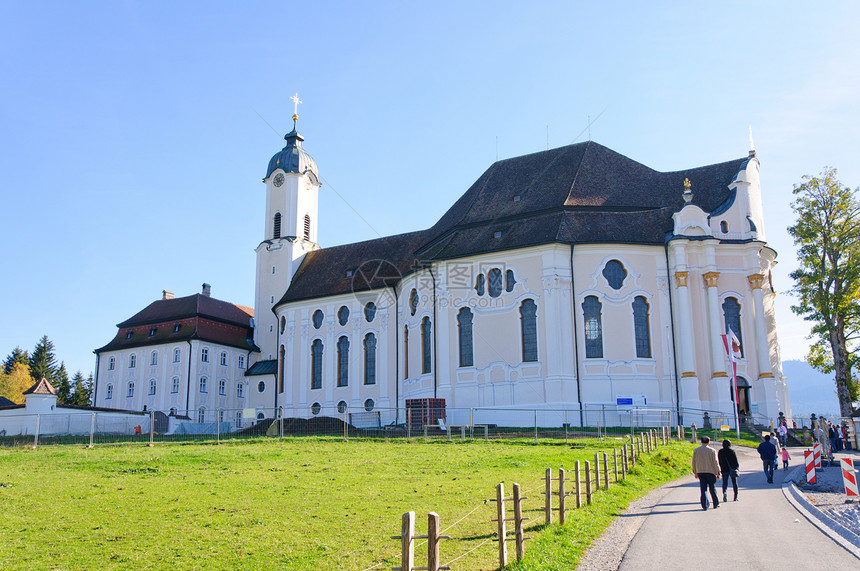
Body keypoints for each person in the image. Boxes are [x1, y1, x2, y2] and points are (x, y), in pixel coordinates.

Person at [692, 435, 721, 510]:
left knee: (703, 489)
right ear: (708, 442)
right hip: (711, 472)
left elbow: (693, 462)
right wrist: (718, 473)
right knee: (712, 488)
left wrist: (695, 472)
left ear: (701, 442)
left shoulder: (696, 450)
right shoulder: (712, 451)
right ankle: (715, 503)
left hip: (700, 472)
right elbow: (715, 462)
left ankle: (704, 505)